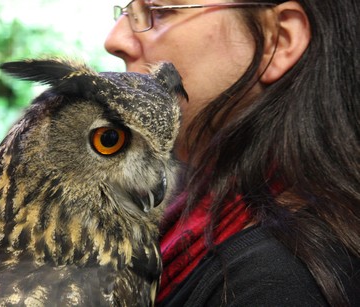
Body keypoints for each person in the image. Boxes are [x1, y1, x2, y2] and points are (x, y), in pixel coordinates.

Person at [106, 0, 359, 306]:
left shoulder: (276, 283)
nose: (115, 40)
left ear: (277, 39)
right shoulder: (185, 199)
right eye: (128, 12)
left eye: (159, 11)